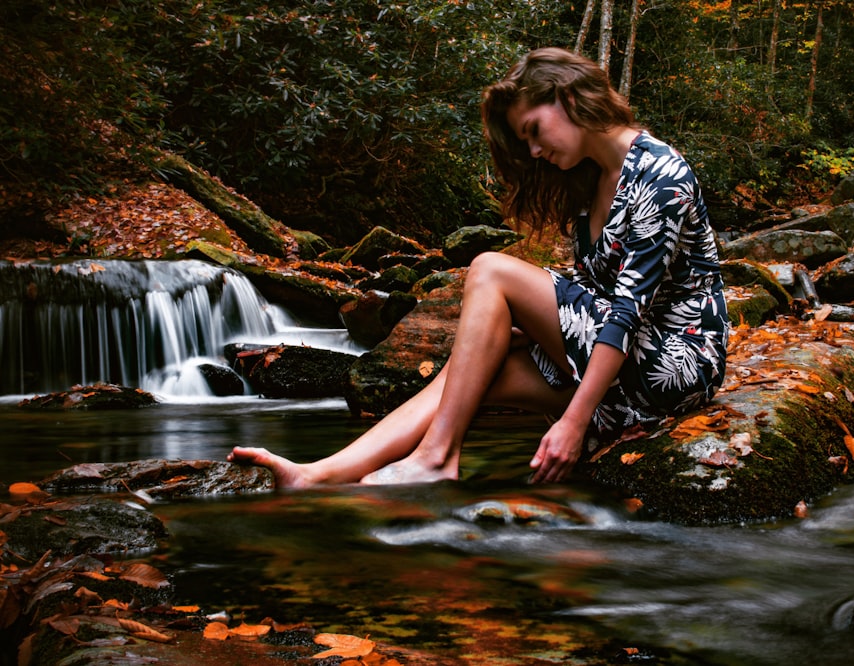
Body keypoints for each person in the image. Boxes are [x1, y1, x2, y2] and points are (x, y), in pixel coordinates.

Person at [227, 47, 729, 487]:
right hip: (630, 367)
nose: (533, 151)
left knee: (490, 267)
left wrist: (574, 423)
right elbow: (592, 288)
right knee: (469, 372)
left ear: (570, 96)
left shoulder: (661, 175)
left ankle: (435, 457)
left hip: (674, 365)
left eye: (533, 131)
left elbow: (627, 310)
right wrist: (526, 329)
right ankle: (321, 473)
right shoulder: (593, 179)